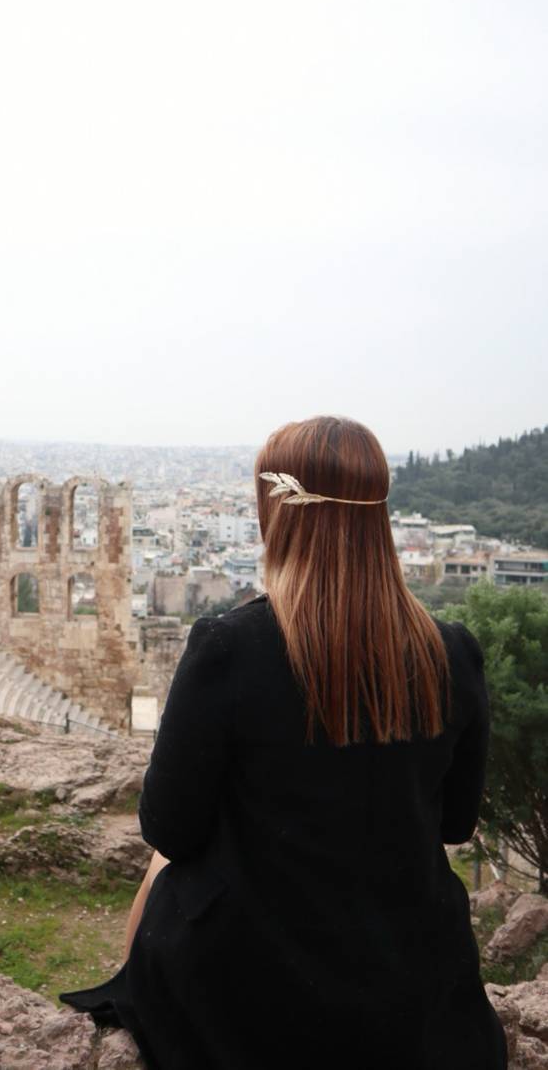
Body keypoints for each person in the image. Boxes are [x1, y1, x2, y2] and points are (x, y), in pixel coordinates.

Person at [59, 415, 507, 1070]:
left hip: (252, 1001)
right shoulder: (454, 652)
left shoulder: (227, 649)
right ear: (379, 516)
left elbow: (170, 827)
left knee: (162, 867)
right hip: (411, 997)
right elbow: (457, 822)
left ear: (278, 512)